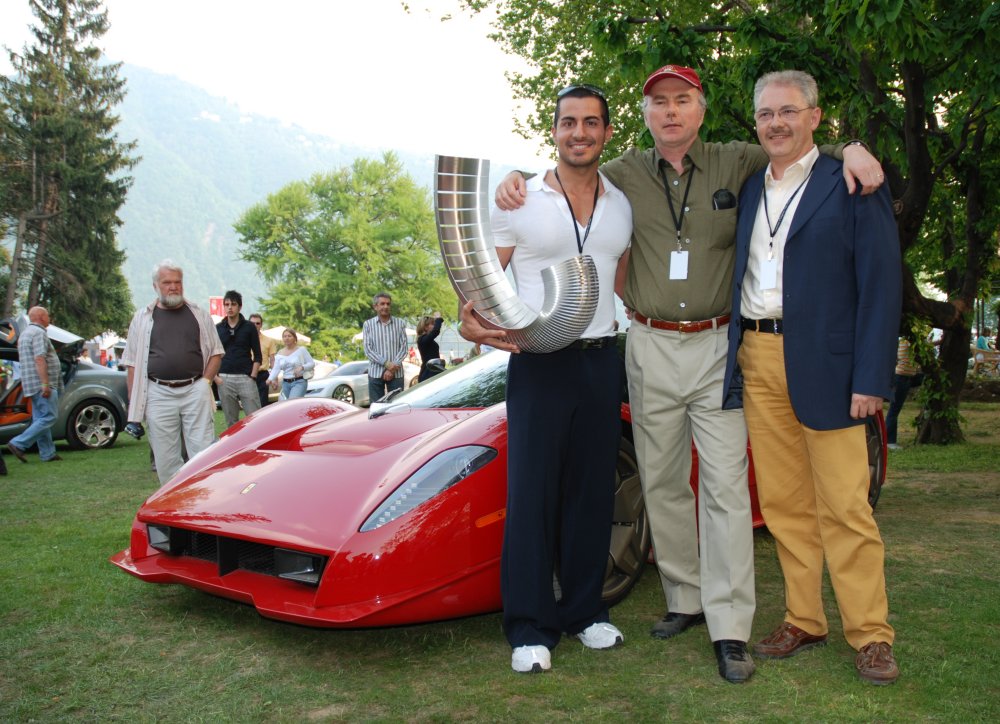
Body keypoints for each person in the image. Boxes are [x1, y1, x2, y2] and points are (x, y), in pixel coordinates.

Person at [494, 64, 886, 684]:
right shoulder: (620, 174)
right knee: (662, 479)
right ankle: (685, 598)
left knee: (725, 484)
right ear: (644, 116)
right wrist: (514, 178)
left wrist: (851, 147)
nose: (671, 112)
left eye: (682, 100)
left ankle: (730, 624)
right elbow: (564, 167)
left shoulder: (738, 160)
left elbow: (796, 145)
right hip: (646, 343)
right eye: (659, 103)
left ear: (701, 109)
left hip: (717, 346)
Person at [722, 70, 902, 685]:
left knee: (847, 505)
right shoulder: (748, 189)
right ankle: (804, 617)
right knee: (783, 504)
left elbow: (882, 286)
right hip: (758, 356)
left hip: (830, 365)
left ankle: (871, 634)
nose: (777, 122)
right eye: (767, 113)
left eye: (789, 111)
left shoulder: (852, 180)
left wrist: (871, 376)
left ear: (816, 118)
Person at [459, 84, 633, 674]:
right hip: (539, 362)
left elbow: (621, 278)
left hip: (602, 360)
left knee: (591, 492)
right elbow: (482, 286)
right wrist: (474, 326)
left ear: (607, 132)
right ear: (553, 131)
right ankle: (530, 626)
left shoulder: (622, 203)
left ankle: (584, 612)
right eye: (568, 123)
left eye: (590, 123)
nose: (579, 133)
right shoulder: (519, 199)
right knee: (532, 493)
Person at [123, 260, 223, 485]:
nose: (173, 287)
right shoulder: (142, 318)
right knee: (165, 456)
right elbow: (131, 363)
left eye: (177, 282)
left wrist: (204, 382)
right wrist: (135, 402)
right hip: (157, 392)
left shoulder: (198, 314)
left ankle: (202, 499)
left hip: (195, 388)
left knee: (203, 451)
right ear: (155, 286)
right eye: (167, 282)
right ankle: (173, 506)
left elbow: (216, 352)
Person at [6, 306, 63, 466]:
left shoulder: (24, 334)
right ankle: (18, 443)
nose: (49, 318)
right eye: (48, 315)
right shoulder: (38, 333)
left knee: (40, 418)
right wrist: (45, 383)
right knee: (49, 417)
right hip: (42, 383)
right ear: (41, 317)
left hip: (30, 382)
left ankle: (48, 453)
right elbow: (39, 358)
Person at [214, 290, 262, 429]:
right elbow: (213, 354)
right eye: (227, 304)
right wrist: (217, 378)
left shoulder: (249, 327)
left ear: (240, 307)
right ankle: (235, 450)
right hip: (224, 378)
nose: (230, 307)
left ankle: (256, 447)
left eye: (233, 304)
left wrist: (252, 376)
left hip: (246, 377)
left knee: (255, 419)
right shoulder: (218, 328)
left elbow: (257, 354)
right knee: (231, 422)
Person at [362, 293, 407, 403]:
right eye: (382, 304)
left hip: (396, 373)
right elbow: (368, 349)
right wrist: (387, 364)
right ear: (375, 306)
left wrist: (392, 368)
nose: (385, 307)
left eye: (388, 304)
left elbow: (404, 348)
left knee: (397, 407)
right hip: (375, 373)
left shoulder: (400, 323)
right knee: (377, 409)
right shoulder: (368, 325)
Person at [885, 335, 918, 449]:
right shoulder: (909, 341)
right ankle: (888, 440)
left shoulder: (907, 340)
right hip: (902, 377)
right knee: (894, 409)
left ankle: (889, 440)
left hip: (905, 376)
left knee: (894, 409)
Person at [267, 328, 315, 400]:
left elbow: (312, 363)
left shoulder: (301, 350)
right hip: (285, 383)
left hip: (299, 382)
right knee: (292, 406)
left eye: (289, 336)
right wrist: (269, 379)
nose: (287, 338)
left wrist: (302, 367)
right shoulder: (280, 353)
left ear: (294, 338)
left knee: (292, 402)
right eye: (284, 336)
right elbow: (276, 369)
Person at [249, 314, 277, 407]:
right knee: (250, 403)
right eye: (252, 323)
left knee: (263, 404)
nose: (255, 325)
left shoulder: (269, 341)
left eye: (258, 323)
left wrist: (274, 378)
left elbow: (272, 360)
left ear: (261, 325)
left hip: (262, 375)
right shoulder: (243, 340)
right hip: (247, 374)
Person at [415, 312, 444, 382]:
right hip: (428, 373)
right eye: (432, 324)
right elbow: (436, 331)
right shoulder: (422, 340)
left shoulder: (426, 340)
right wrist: (438, 318)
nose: (434, 326)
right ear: (425, 327)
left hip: (433, 371)